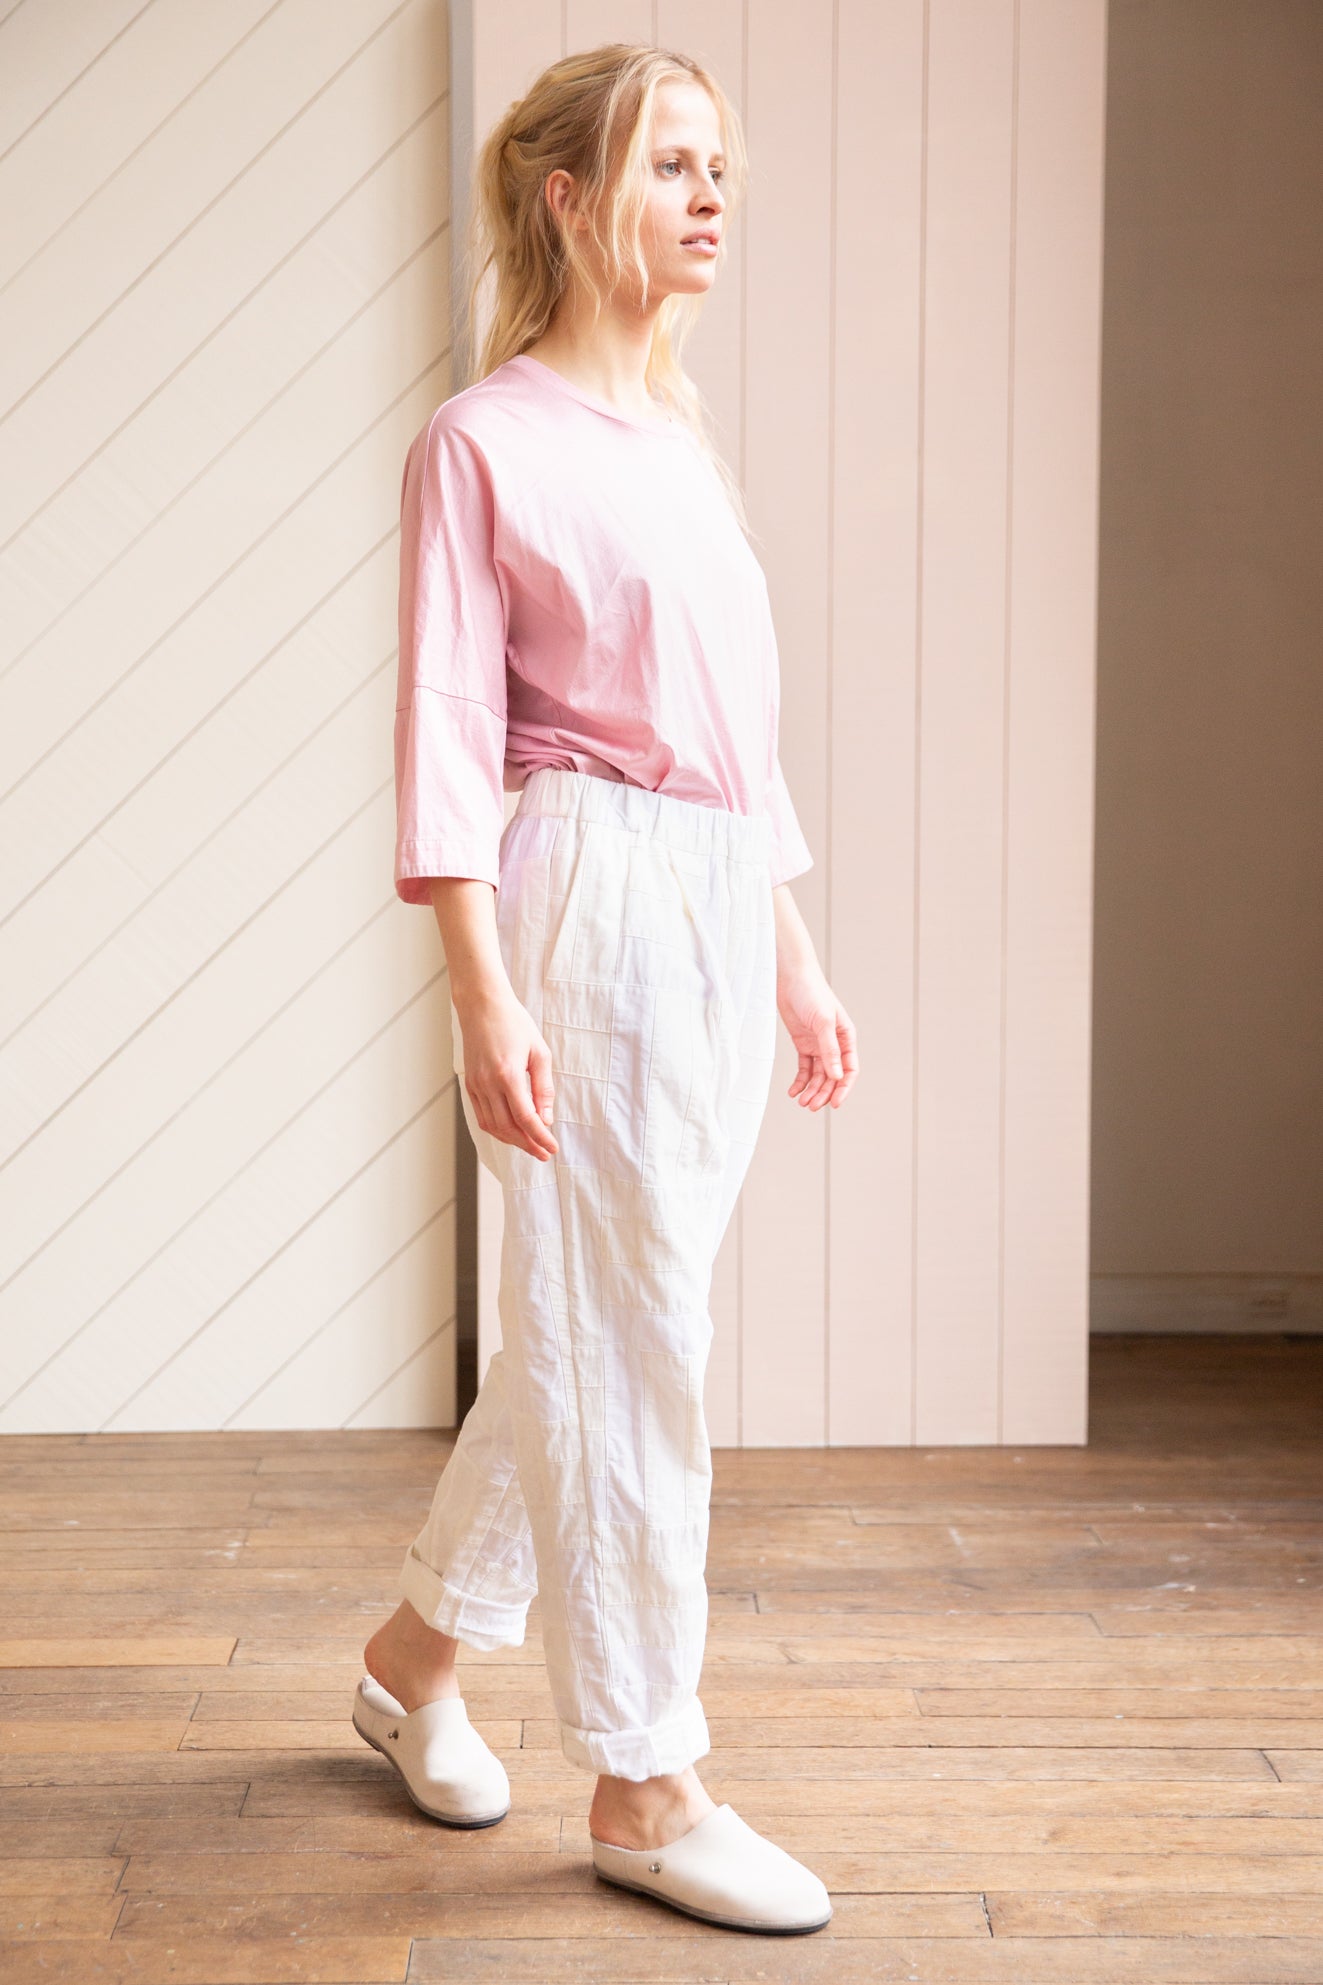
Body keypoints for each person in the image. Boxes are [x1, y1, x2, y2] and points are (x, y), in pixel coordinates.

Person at [353, 41, 858, 1935]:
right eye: (670, 164)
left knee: (593, 1316)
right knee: (632, 1335)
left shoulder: (680, 440)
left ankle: (413, 1659)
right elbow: (445, 735)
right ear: (570, 197)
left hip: (719, 909)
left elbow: (739, 741)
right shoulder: (482, 444)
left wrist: (795, 958)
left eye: (722, 164)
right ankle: (646, 1778)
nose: (713, 195)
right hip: (590, 904)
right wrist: (484, 988)